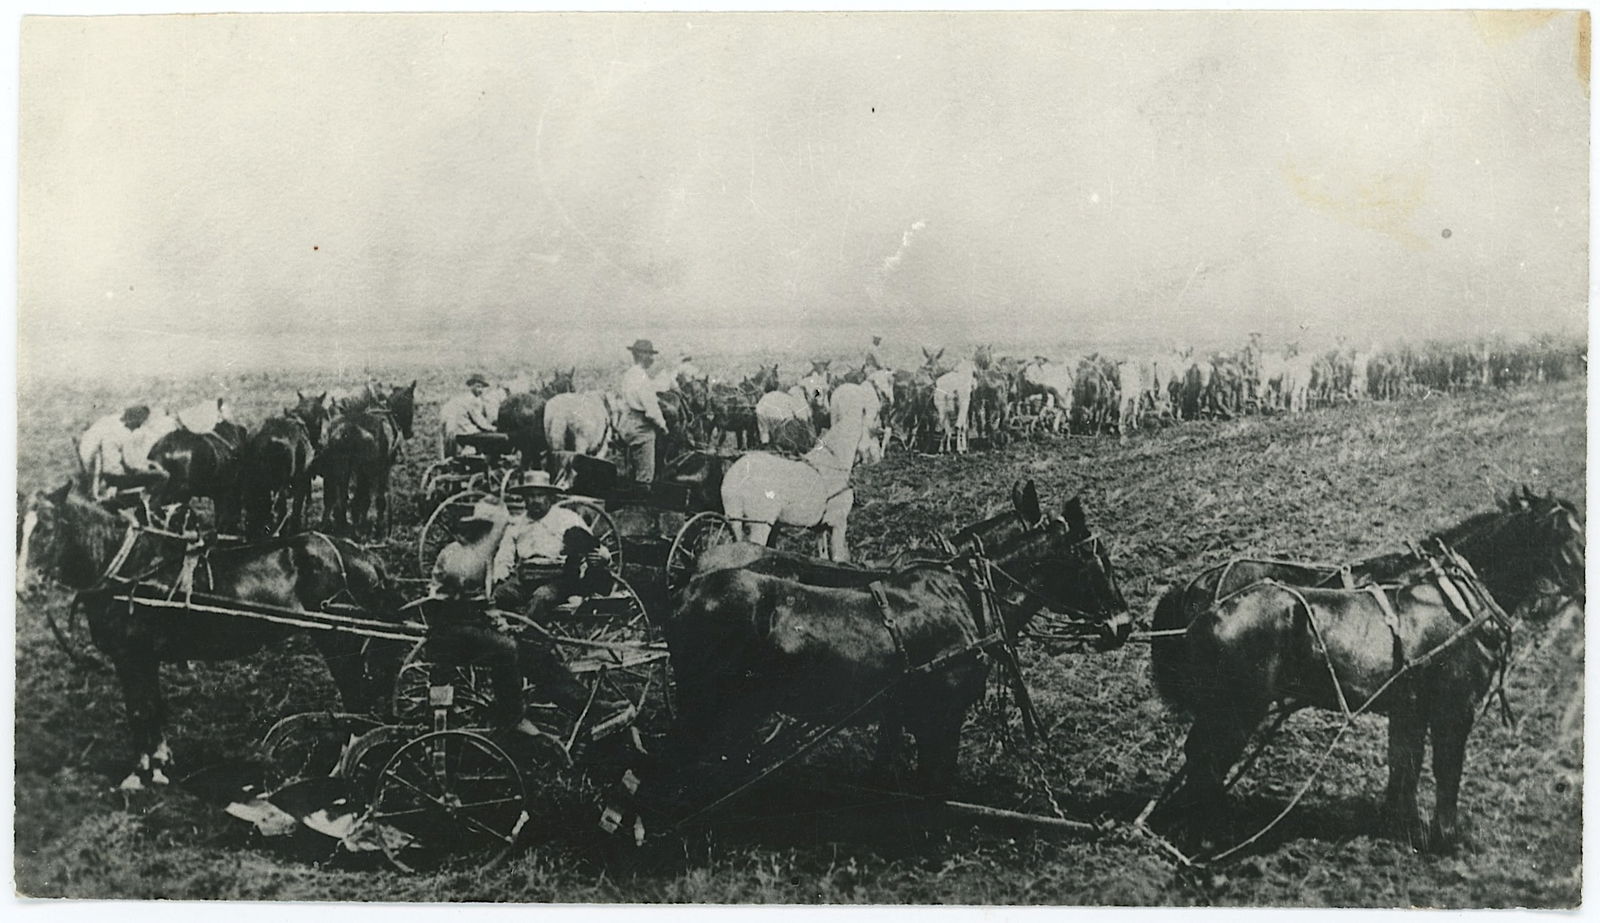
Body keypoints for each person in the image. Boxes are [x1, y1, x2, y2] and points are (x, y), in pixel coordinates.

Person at [427, 497, 611, 737]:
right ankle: (515, 717)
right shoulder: (461, 557)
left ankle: (583, 704)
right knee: (512, 649)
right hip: (453, 629)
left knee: (529, 651)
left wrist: (499, 620)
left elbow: (483, 600)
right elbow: (470, 600)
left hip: (468, 622)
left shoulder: (474, 553)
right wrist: (498, 621)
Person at [489, 490, 595, 614]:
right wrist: (500, 574)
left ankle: (525, 625)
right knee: (500, 594)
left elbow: (591, 543)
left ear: (550, 497)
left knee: (541, 597)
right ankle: (503, 624)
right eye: (531, 495)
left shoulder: (567, 518)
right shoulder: (517, 524)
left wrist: (602, 555)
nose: (536, 500)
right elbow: (505, 554)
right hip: (525, 580)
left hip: (557, 579)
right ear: (524, 499)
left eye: (540, 495)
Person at [617, 339, 669, 487]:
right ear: (642, 355)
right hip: (641, 429)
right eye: (650, 355)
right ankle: (642, 495)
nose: (652, 359)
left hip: (626, 425)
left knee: (631, 469)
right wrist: (663, 427)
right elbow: (652, 411)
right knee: (645, 474)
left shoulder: (629, 374)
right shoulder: (642, 377)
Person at [78, 405, 159, 499]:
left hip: (105, 470)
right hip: (113, 474)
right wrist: (145, 468)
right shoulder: (122, 433)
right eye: (139, 422)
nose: (139, 426)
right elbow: (129, 465)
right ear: (133, 419)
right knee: (160, 476)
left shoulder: (116, 427)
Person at [438, 373, 498, 458]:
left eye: (482, 388)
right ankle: (490, 460)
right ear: (471, 386)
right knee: (497, 438)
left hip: (460, 431)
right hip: (467, 432)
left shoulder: (465, 398)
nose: (480, 390)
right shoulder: (472, 400)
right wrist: (494, 429)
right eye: (478, 387)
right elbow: (479, 421)